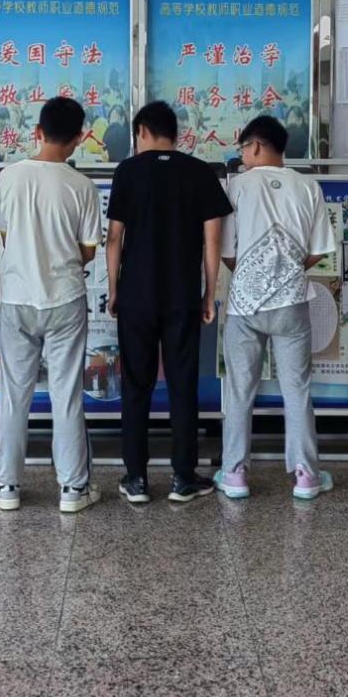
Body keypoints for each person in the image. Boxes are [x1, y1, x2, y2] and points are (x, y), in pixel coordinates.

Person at [105, 100, 233, 504]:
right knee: (182, 384)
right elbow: (213, 240)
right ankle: (182, 477)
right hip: (182, 295)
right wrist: (209, 293)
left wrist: (114, 289)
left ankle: (136, 479)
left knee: (135, 385)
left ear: (142, 132)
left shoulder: (127, 172)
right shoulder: (199, 172)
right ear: (175, 133)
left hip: (136, 296)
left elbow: (114, 238)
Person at [217, 115, 337, 500]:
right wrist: (287, 270)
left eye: (243, 148)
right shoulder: (308, 186)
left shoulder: (236, 187)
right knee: (297, 390)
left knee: (240, 390)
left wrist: (252, 276)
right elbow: (320, 249)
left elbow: (227, 251)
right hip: (292, 304)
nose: (242, 156)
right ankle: (306, 475)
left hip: (245, 306)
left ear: (255, 146)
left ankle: (234, 473)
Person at [0, 96, 103, 514]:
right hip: (65, 298)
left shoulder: (9, 177)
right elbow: (88, 250)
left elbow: (6, 236)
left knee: (13, 395)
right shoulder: (82, 186)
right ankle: (73, 489)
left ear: (37, 132)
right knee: (67, 394)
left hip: (17, 298)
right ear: (79, 138)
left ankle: (7, 485)